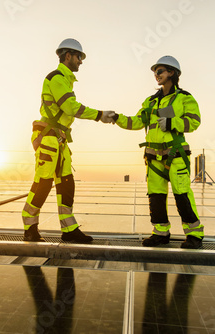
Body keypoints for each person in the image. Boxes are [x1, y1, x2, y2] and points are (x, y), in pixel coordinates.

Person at [22, 38, 116, 243]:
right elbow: (71, 108)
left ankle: (69, 229)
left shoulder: (65, 80)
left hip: (59, 139)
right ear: (68, 56)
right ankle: (30, 226)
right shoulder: (56, 78)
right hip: (48, 138)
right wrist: (100, 115)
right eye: (79, 57)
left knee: (66, 184)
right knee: (43, 182)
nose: (81, 61)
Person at [111, 55, 204, 249]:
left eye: (159, 71)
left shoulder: (184, 98)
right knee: (156, 197)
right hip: (153, 159)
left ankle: (194, 235)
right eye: (155, 72)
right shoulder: (151, 102)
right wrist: (117, 118)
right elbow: (137, 122)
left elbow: (194, 121)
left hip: (175, 156)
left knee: (183, 195)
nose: (156, 75)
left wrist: (172, 122)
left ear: (172, 72)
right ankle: (161, 233)